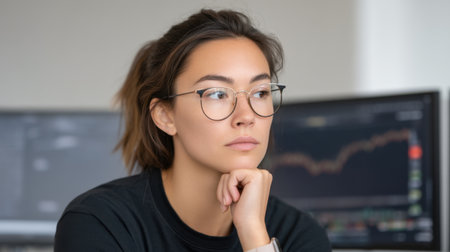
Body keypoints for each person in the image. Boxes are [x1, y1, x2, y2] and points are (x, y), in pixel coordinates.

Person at [54, 9, 331, 252]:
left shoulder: (300, 234)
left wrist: (254, 237)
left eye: (259, 92)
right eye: (217, 94)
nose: (246, 116)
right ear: (165, 116)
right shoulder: (100, 223)